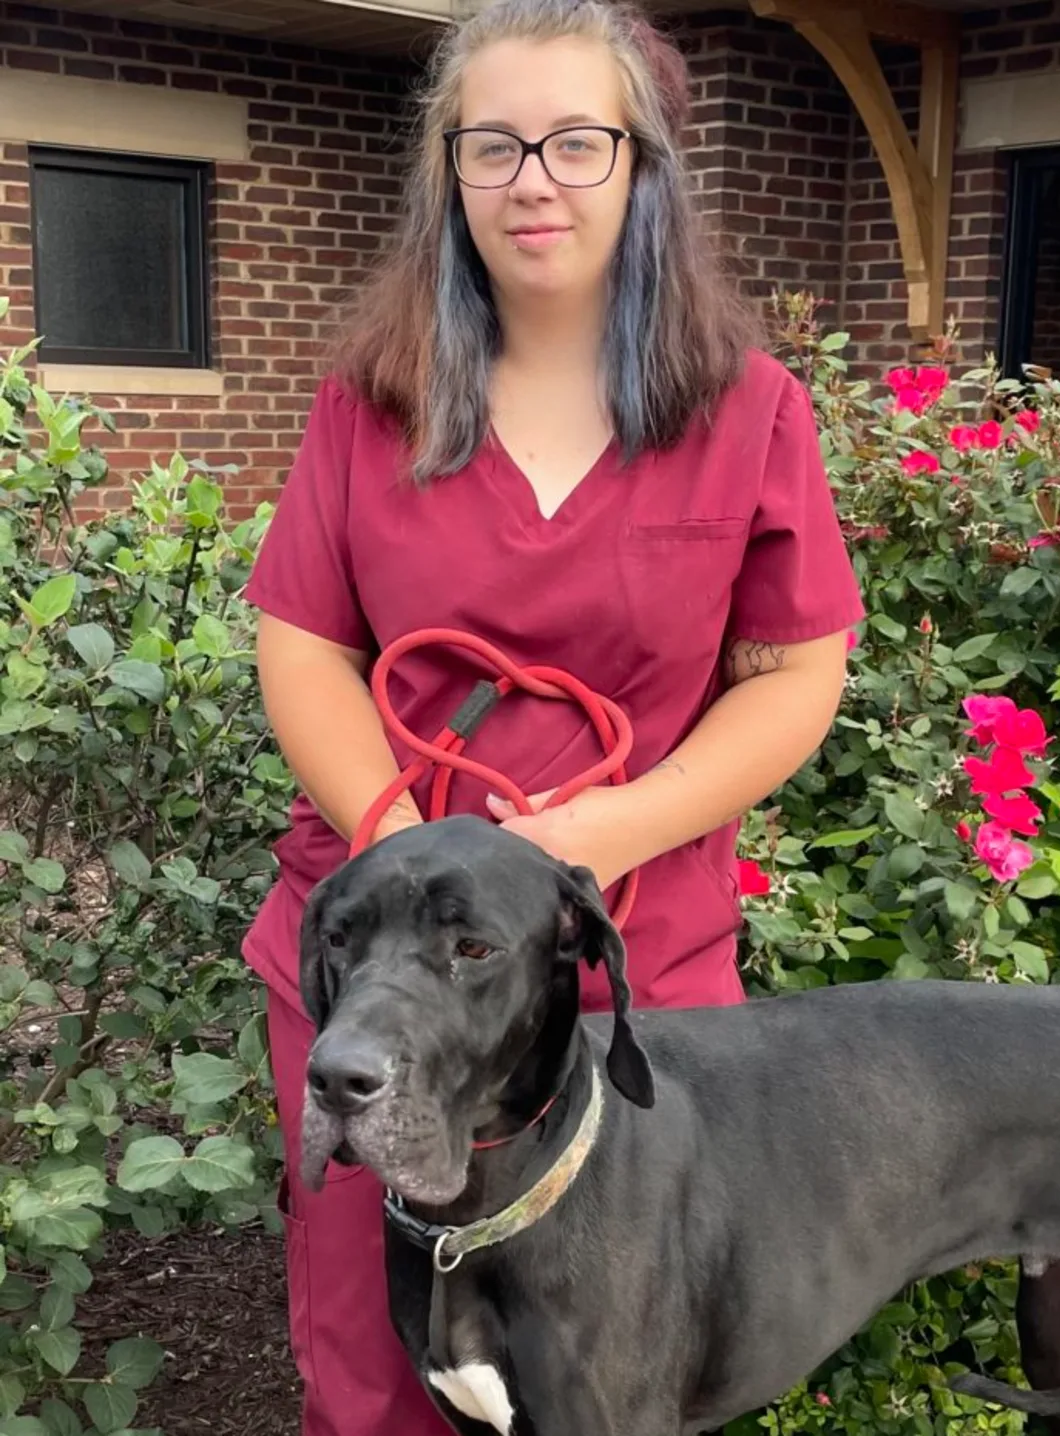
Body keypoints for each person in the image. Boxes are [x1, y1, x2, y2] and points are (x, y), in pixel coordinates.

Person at [241, 0, 865, 1429]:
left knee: (620, 1382)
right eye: (495, 145)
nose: (534, 178)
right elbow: (303, 647)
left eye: (578, 142)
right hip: (377, 963)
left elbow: (791, 680)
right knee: (380, 1374)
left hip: (627, 972)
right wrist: (397, 842)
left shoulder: (748, 408)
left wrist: (591, 835)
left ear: (642, 168)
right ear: (448, 173)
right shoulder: (368, 402)